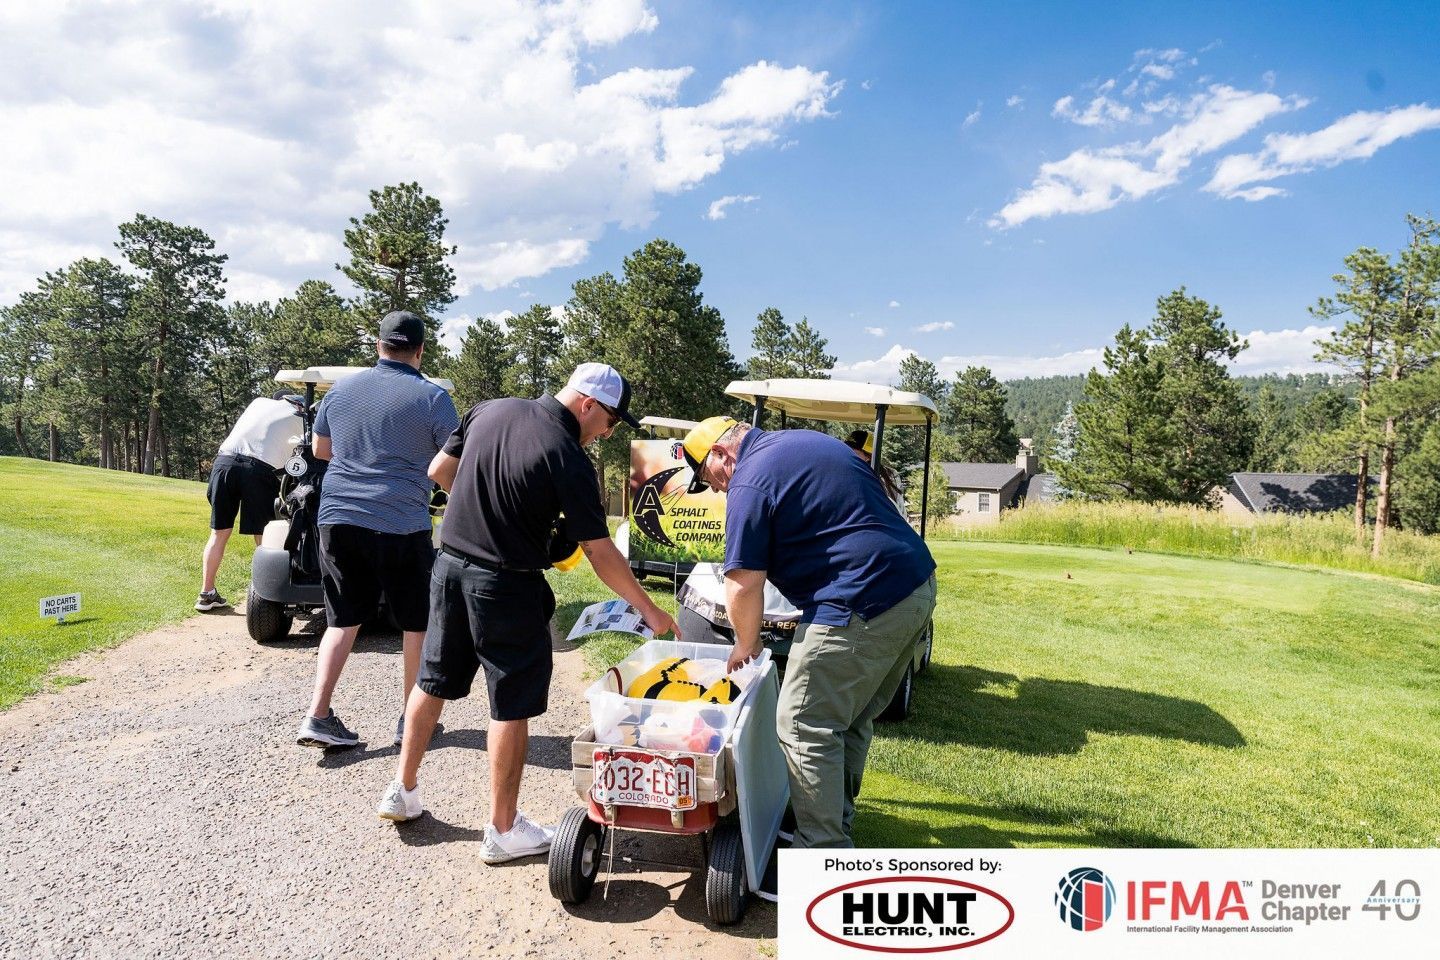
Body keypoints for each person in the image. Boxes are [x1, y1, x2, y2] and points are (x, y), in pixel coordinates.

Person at [375, 362, 680, 865]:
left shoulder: (489, 410)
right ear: (588, 404)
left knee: (432, 680)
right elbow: (600, 551)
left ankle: (402, 790)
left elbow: (440, 473)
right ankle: (502, 829)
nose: (608, 432)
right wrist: (649, 609)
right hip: (506, 584)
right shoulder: (568, 456)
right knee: (511, 703)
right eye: (611, 420)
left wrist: (490, 511)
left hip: (448, 565)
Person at [681, 415, 935, 848]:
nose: (718, 489)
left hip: (859, 598)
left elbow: (741, 581)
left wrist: (748, 643)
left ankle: (822, 854)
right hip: (915, 589)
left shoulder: (750, 481)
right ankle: (834, 822)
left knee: (802, 723)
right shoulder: (806, 442)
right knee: (848, 720)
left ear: (722, 454)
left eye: (710, 478)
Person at [296, 311, 459, 749]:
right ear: (421, 350)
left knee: (342, 619)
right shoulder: (434, 398)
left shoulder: (342, 391)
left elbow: (320, 450)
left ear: (378, 346)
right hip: (401, 523)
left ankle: (318, 714)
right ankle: (412, 720)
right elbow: (449, 466)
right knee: (416, 623)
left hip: (339, 518)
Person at [198, 392, 303, 611]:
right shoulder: (300, 418)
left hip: (223, 464)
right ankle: (266, 596)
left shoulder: (259, 403)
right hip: (258, 469)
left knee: (219, 532)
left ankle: (207, 593)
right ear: (298, 403)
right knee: (265, 533)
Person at [843, 429, 904, 509]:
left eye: (853, 452)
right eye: (846, 450)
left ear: (867, 456)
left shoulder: (888, 476)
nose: (848, 455)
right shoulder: (844, 472)